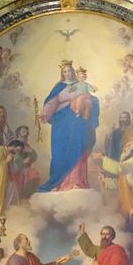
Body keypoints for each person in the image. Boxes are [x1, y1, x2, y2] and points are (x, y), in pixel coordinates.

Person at [38, 60, 99, 192]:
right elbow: (52, 102)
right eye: (65, 71)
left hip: (78, 122)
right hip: (62, 122)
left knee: (78, 147)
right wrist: (45, 113)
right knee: (62, 150)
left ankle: (77, 181)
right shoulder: (59, 87)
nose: (68, 73)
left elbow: (91, 98)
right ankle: (61, 184)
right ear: (62, 73)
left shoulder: (80, 85)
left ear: (73, 72)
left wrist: (90, 103)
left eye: (70, 70)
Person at [14, 125, 40, 198]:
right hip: (16, 168)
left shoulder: (25, 144)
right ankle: (23, 196)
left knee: (34, 174)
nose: (26, 134)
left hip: (25, 168)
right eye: (23, 132)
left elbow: (34, 156)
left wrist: (29, 157)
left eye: (27, 133)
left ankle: (27, 196)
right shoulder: (15, 143)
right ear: (18, 133)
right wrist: (22, 161)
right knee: (32, 174)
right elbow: (14, 157)